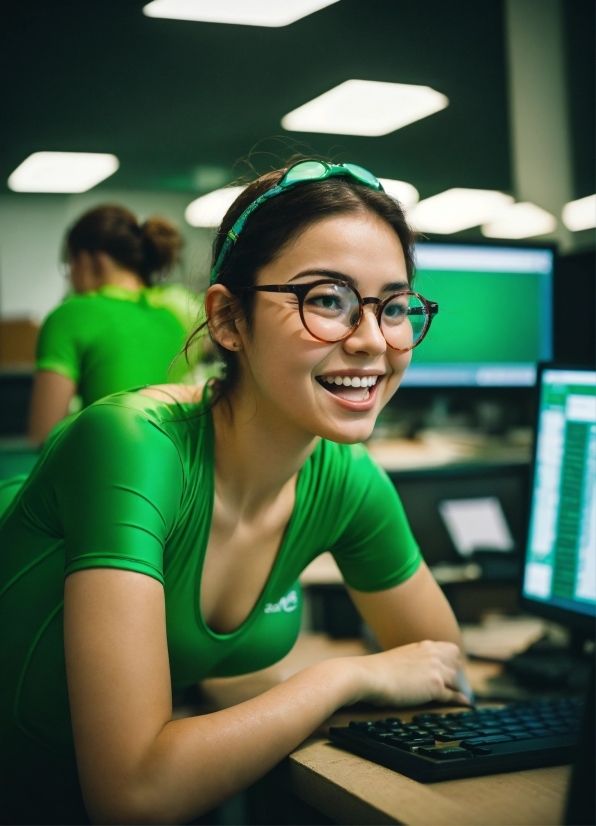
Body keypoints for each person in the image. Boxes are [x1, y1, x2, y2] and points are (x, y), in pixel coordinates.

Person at [0, 160, 469, 825]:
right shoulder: (131, 446)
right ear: (227, 319)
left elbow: (443, 668)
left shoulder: (341, 475)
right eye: (327, 299)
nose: (372, 341)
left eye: (394, 306)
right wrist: (344, 677)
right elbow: (133, 793)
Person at [28, 204, 203, 444]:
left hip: (104, 471)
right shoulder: (177, 314)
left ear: (94, 260)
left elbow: (42, 436)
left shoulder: (70, 315)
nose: (70, 276)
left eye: (71, 263)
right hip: (174, 470)